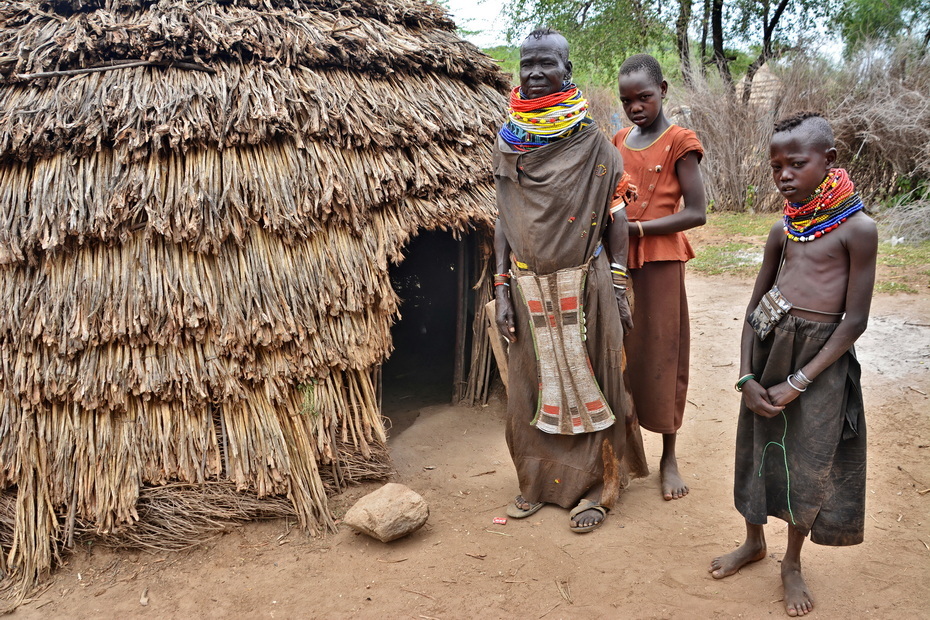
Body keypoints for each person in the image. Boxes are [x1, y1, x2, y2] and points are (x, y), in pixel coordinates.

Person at [709, 112, 877, 617]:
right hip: (770, 349)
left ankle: (792, 562)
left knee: (809, 461)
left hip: (821, 364)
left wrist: (800, 381)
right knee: (759, 451)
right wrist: (746, 377)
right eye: (776, 165)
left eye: (796, 164)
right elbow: (754, 306)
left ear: (829, 160)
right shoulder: (784, 229)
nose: (784, 174)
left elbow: (854, 321)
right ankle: (753, 541)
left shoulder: (858, 230)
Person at [493, 28, 648, 533]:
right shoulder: (509, 142)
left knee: (597, 385)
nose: (535, 73)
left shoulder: (594, 145)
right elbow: (503, 219)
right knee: (530, 389)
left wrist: (620, 284)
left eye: (547, 64)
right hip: (526, 286)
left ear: (568, 72)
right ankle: (537, 484)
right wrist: (500, 288)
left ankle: (597, 493)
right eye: (527, 64)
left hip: (586, 286)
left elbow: (617, 216)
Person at [612, 54, 707, 501]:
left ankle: (669, 455)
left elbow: (696, 212)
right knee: (622, 353)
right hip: (617, 261)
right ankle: (621, 452)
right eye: (627, 100)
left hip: (662, 261)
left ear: (664, 90)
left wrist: (639, 229)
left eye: (644, 97)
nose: (636, 107)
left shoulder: (679, 141)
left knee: (664, 351)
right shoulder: (618, 141)